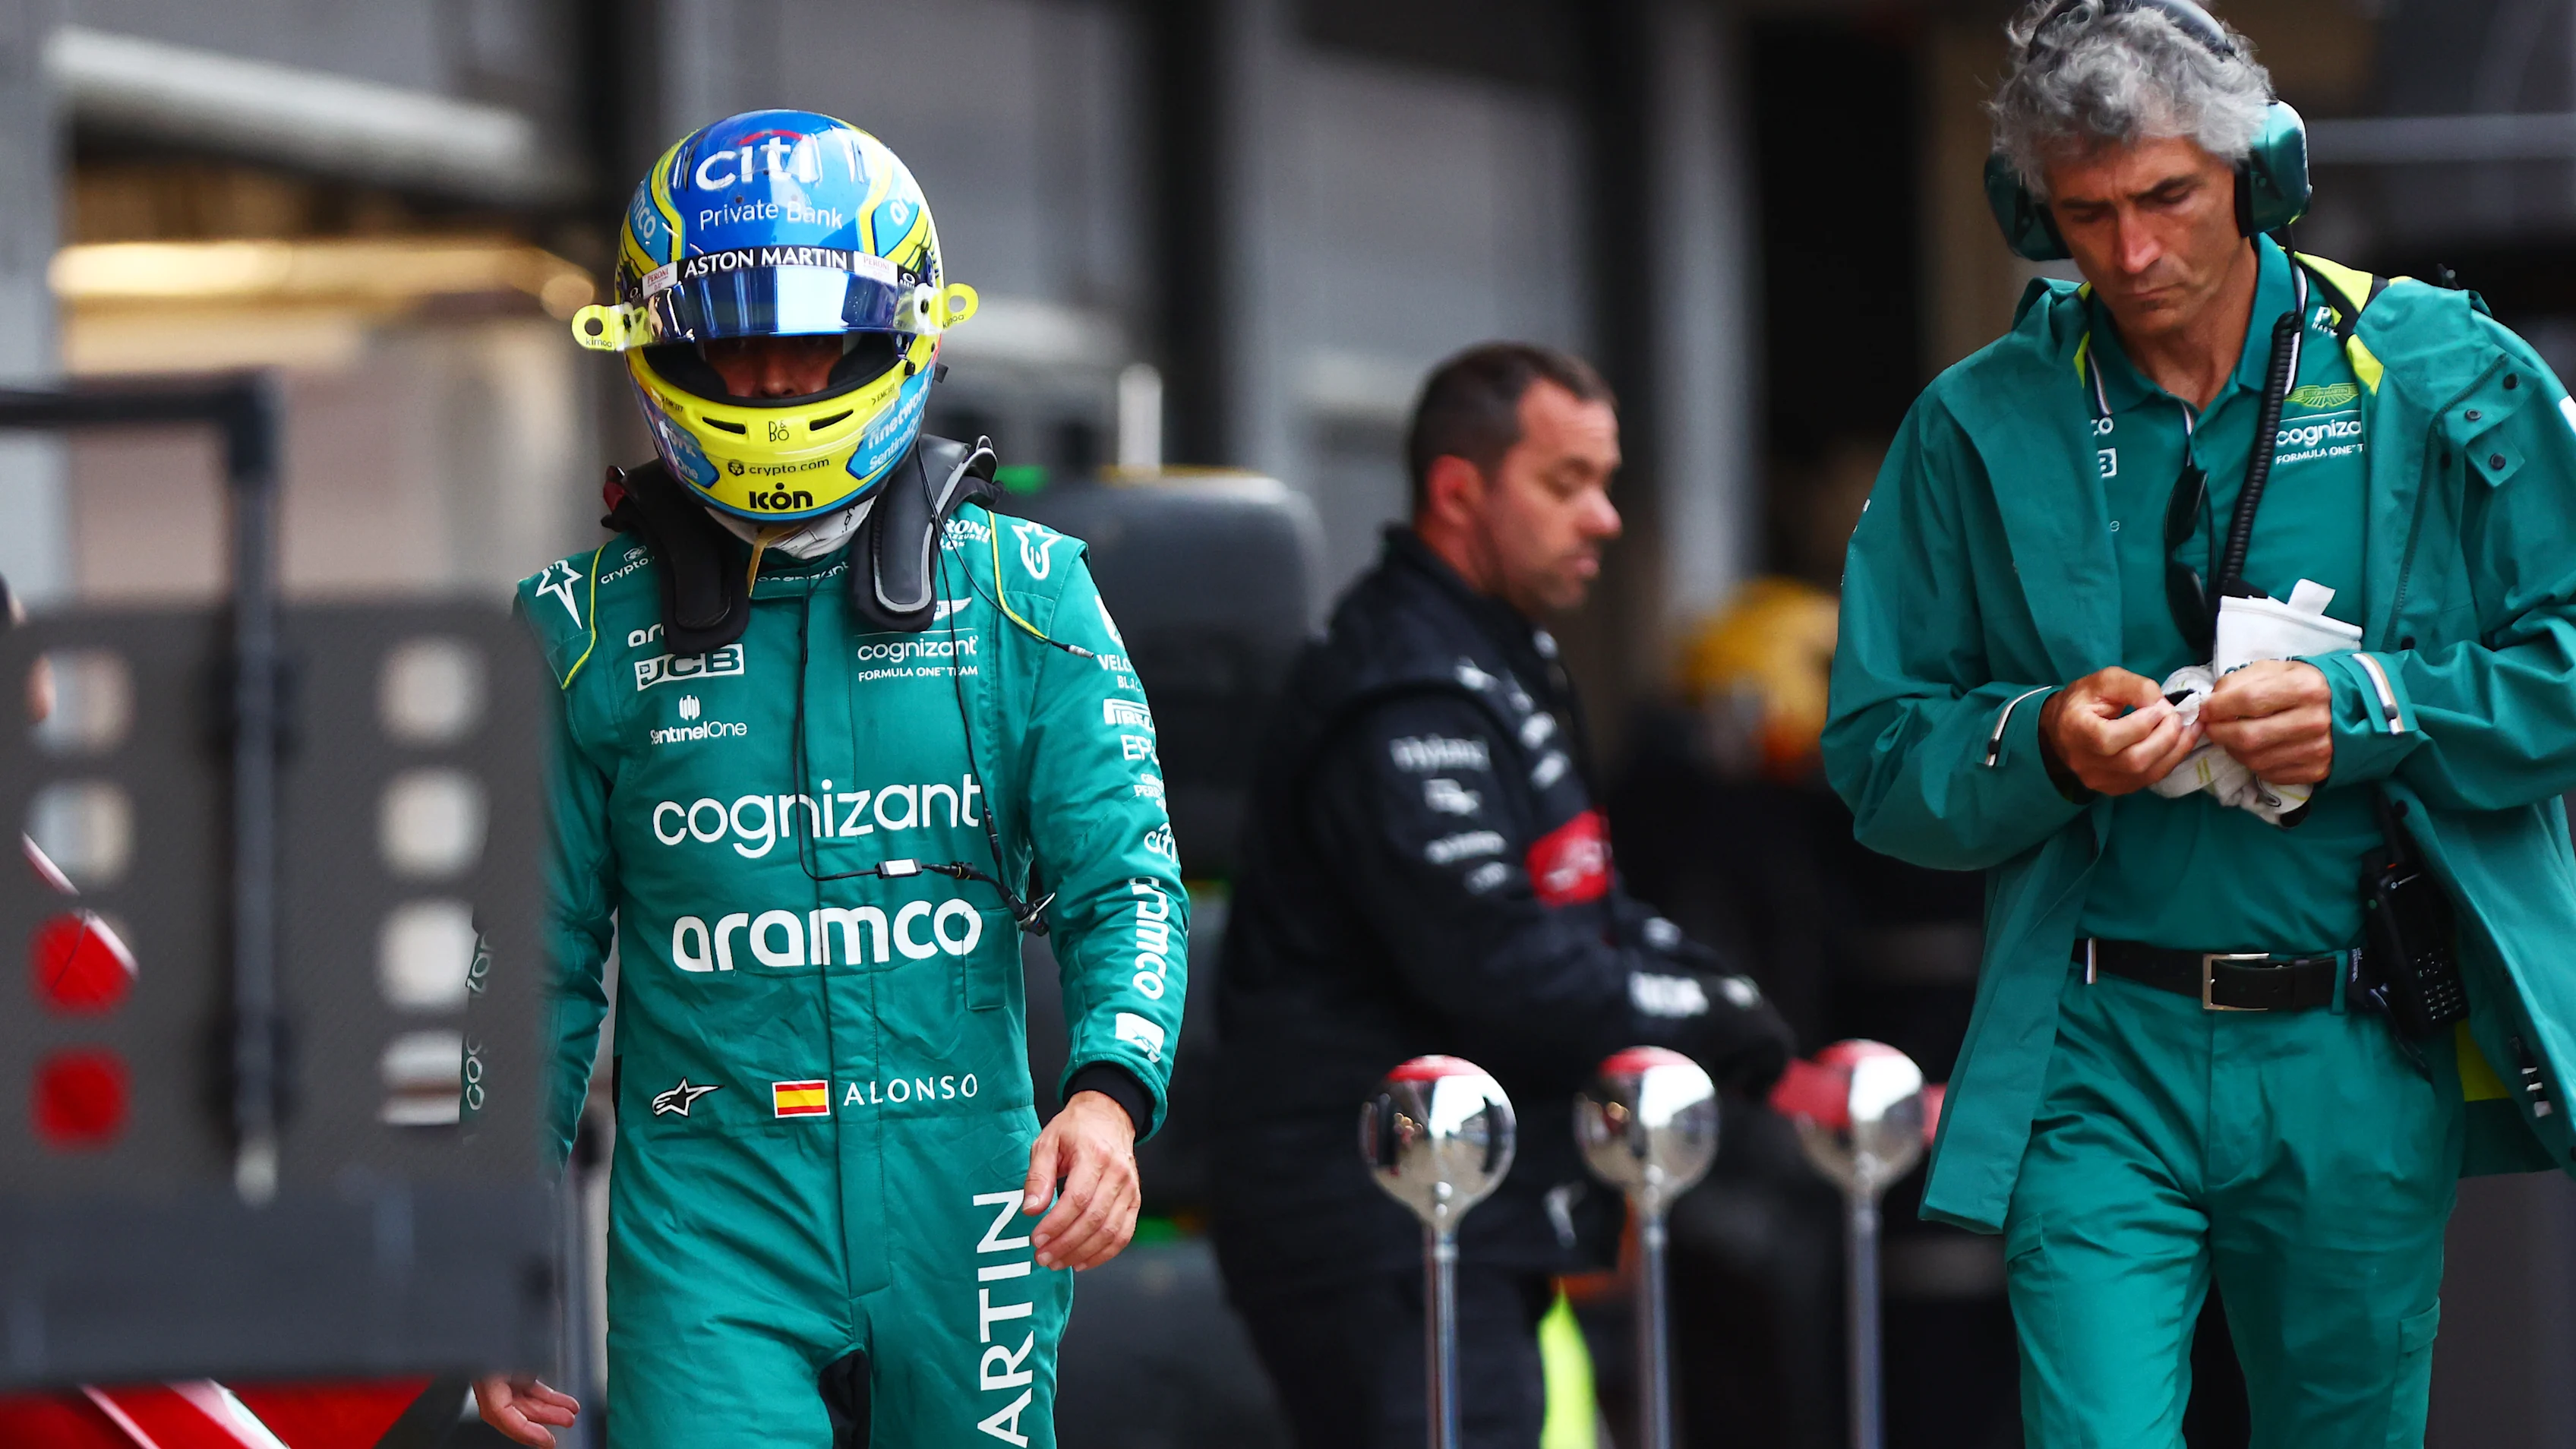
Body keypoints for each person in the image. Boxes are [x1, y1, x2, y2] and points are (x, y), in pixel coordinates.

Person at [1825, 4, 2576, 1444]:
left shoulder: (2437, 370)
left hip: (2356, 1043)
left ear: (2257, 174)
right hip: (2098, 1051)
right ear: (2034, 213)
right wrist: (2042, 740)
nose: (2131, 254)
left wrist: (2374, 708)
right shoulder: (1977, 423)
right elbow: (1877, 747)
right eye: (2086, 214)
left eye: (2167, 197)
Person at [473, 110, 1187, 1449]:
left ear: (895, 336)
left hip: (971, 1202)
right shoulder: (575, 631)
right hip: (711, 1222)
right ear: (657, 350)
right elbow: (527, 966)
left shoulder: (1029, 594)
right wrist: (488, 1250)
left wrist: (1110, 1094)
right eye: (728, 344)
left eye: (808, 340)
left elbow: (1126, 884)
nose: (769, 382)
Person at [1211, 343, 1795, 1449]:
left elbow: (1586, 912)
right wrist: (1719, 1022)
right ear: (1458, 491)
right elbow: (1493, 958)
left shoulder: (1493, 652)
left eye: (1606, 483)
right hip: (1377, 1217)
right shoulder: (1406, 681)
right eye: (1567, 483)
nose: (1604, 518)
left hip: (1458, 1206)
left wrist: (1741, 1019)